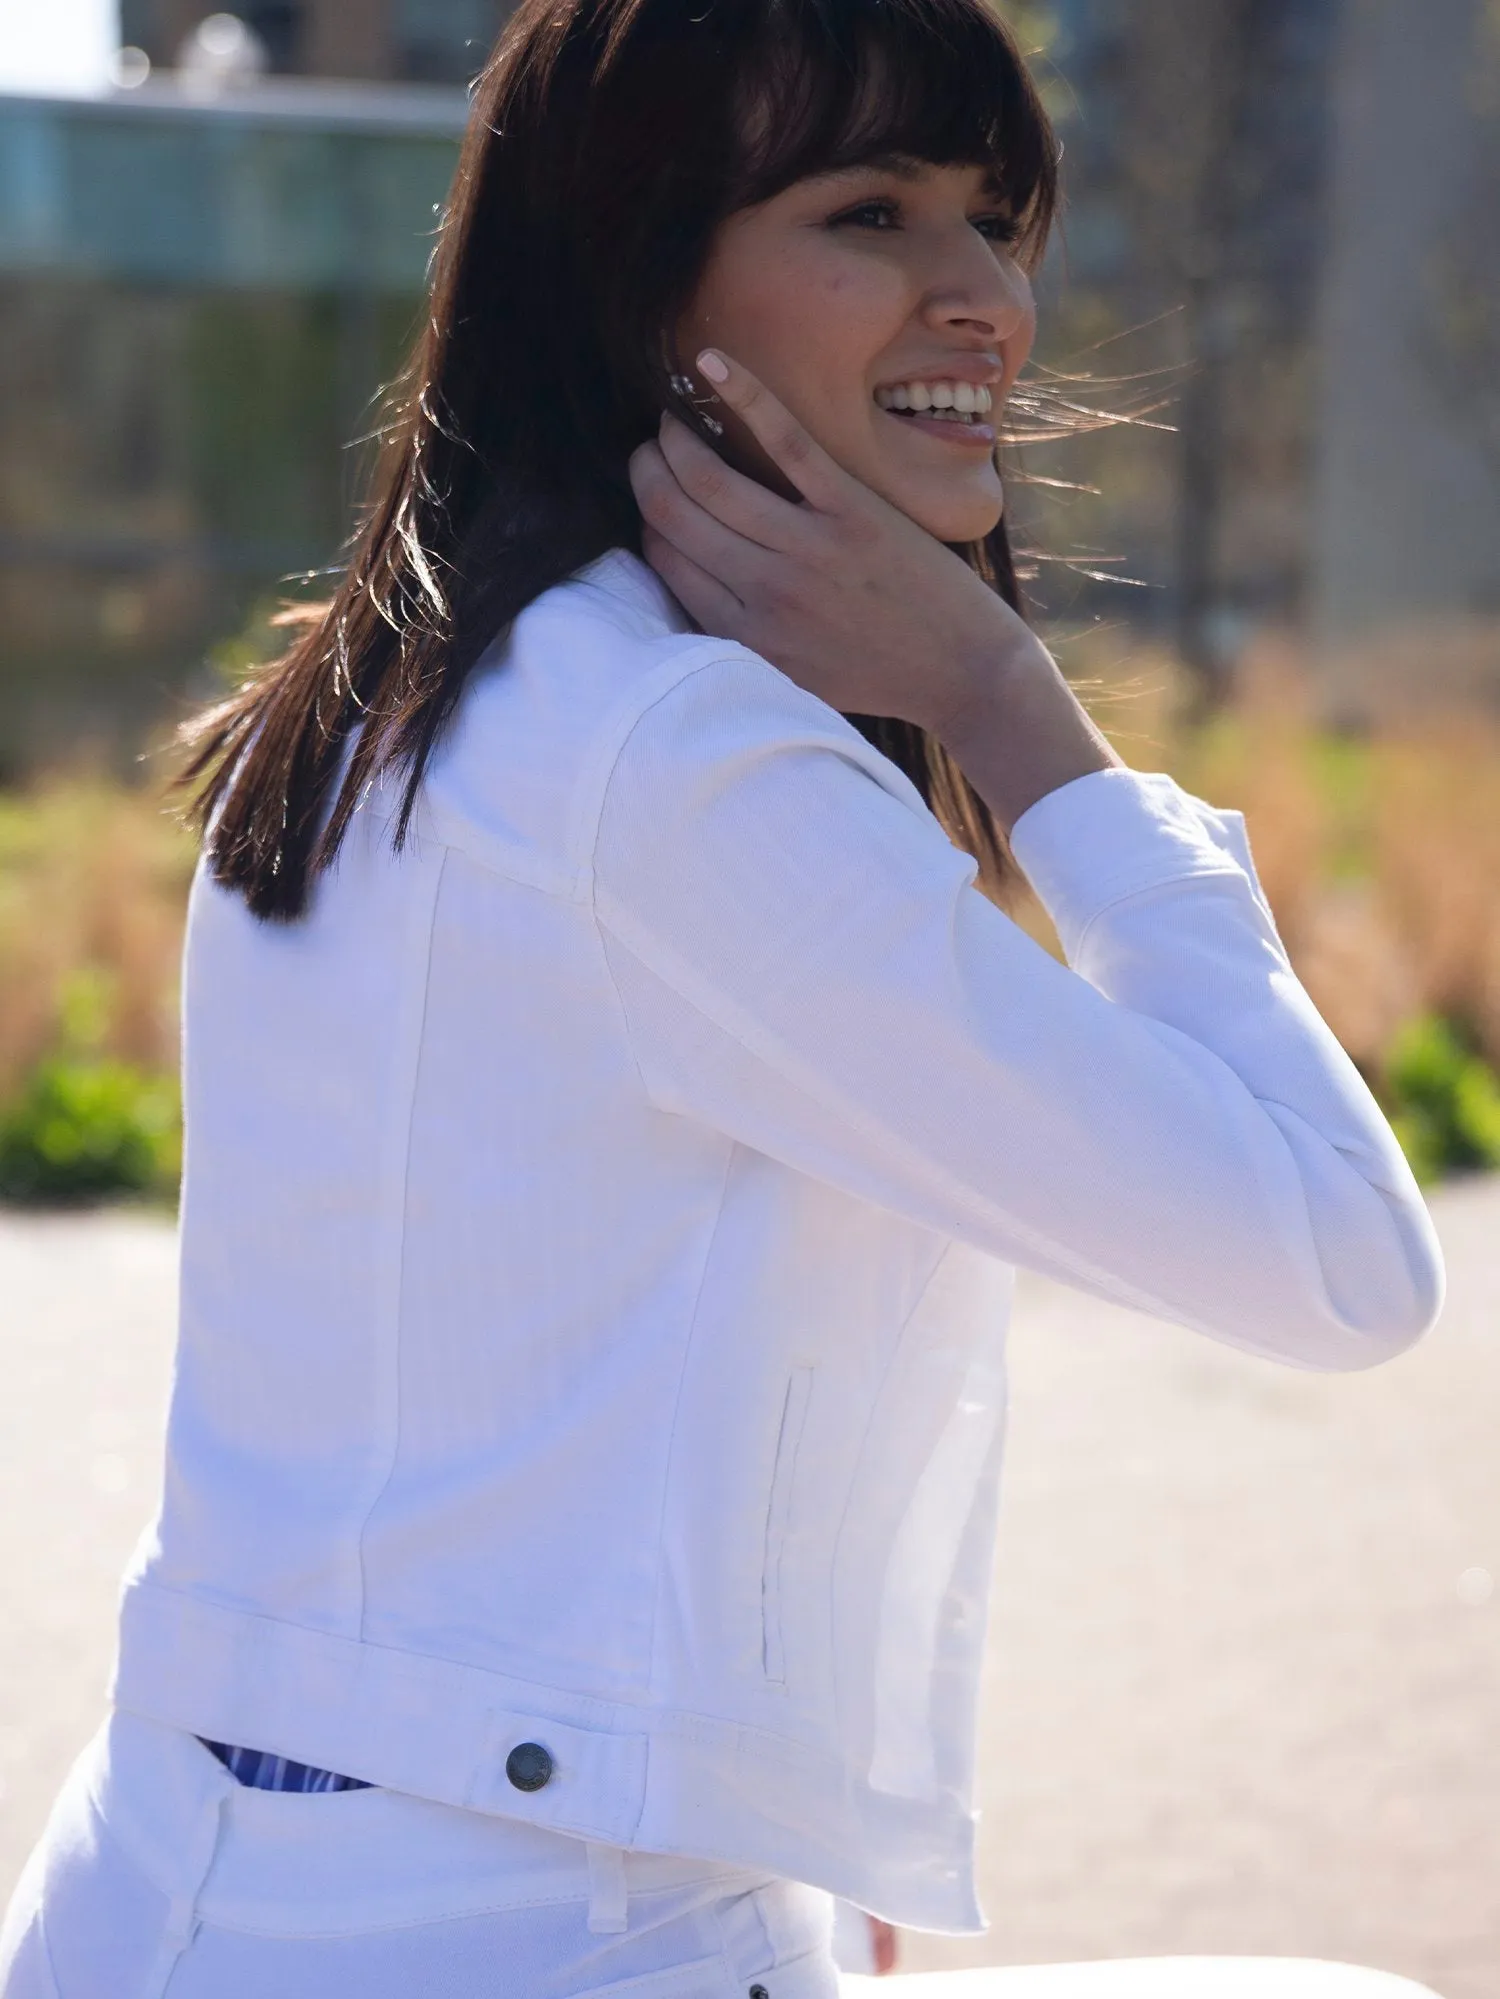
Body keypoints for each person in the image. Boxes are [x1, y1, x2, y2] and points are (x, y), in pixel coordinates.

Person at [0, 0, 1445, 1993]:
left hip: (188, 1887)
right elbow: (1343, 1258)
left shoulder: (387, 697)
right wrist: (1019, 719)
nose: (987, 304)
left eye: (998, 218)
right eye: (869, 215)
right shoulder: (668, 769)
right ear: (633, 269)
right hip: (506, 1930)